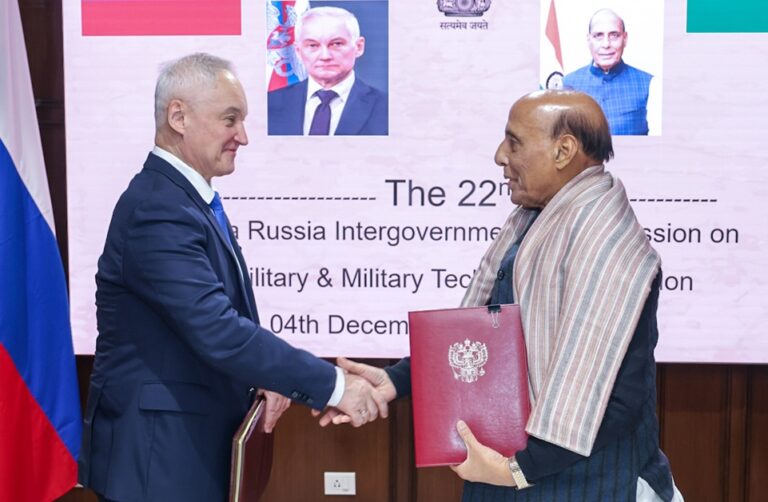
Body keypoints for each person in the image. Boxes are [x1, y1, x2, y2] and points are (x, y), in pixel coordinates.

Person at [325, 90, 683, 500]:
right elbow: (490, 339)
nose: (500, 155)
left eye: (514, 142)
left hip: (585, 484)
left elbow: (617, 399)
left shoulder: (607, 244)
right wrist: (397, 379)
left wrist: (517, 470)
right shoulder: (541, 219)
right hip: (517, 474)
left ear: (564, 150)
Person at [77, 53, 387, 502]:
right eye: (230, 119)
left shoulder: (183, 201)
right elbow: (217, 330)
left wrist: (266, 376)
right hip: (157, 461)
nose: (242, 136)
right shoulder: (158, 208)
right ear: (178, 117)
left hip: (180, 452)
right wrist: (334, 387)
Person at [267, 6, 388, 136]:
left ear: (359, 47)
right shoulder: (268, 104)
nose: (325, 56)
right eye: (313, 45)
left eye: (336, 44)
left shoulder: (389, 108)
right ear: (298, 51)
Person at [563, 9, 653, 135]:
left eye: (614, 35)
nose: (606, 44)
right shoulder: (567, 84)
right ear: (589, 40)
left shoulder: (648, 84)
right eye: (598, 36)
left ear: (625, 39)